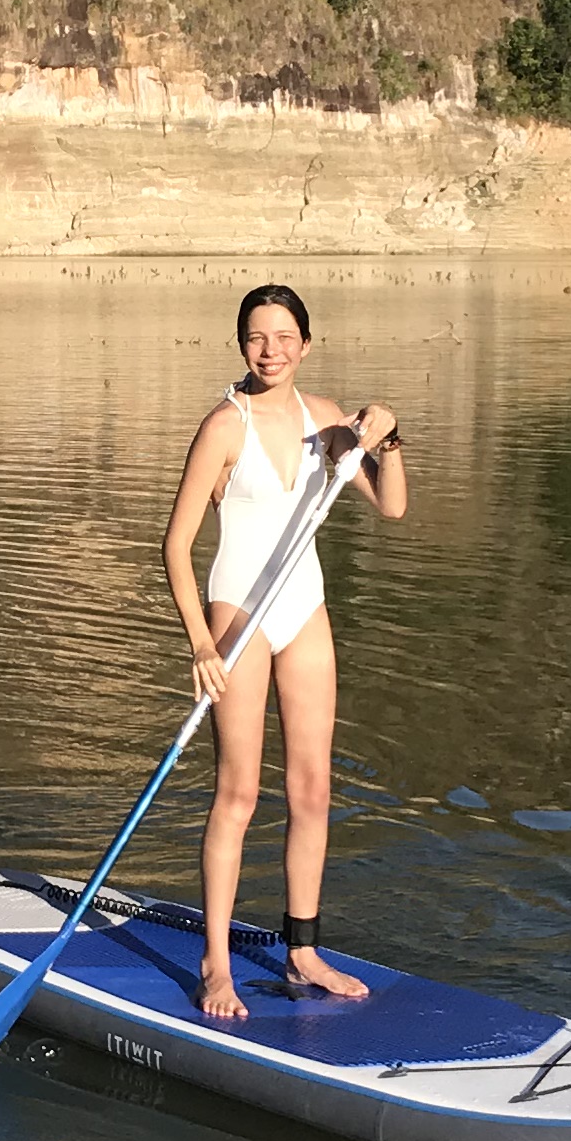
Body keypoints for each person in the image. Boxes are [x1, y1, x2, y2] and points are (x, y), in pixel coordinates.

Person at [162, 282, 407, 1021]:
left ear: (305, 343)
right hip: (237, 615)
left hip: (305, 611)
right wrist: (200, 646)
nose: (270, 350)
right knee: (238, 794)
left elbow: (392, 505)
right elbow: (175, 546)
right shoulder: (222, 426)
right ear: (242, 344)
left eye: (284, 337)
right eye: (256, 337)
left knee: (312, 791)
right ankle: (215, 965)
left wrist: (387, 438)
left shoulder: (324, 420)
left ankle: (303, 950)